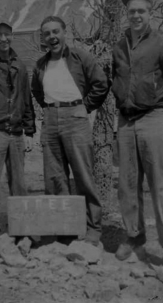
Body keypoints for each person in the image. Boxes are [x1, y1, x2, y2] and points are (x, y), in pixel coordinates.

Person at [112, 0, 163, 270]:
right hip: (126, 121)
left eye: (141, 11)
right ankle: (134, 236)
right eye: (132, 12)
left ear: (149, 14)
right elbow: (116, 77)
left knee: (160, 184)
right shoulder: (119, 45)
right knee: (127, 185)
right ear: (126, 16)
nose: (136, 15)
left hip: (153, 117)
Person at [31, 15, 109, 246]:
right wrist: (49, 110)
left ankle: (93, 228)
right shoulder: (40, 64)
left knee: (83, 175)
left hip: (75, 116)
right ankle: (64, 231)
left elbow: (101, 83)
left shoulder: (80, 56)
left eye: (56, 32)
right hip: (50, 119)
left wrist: (85, 106)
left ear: (64, 33)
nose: (52, 37)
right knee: (55, 178)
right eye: (47, 33)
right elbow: (36, 90)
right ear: (43, 38)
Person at [0, 19, 36, 258]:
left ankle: (22, 235)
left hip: (16, 135)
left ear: (12, 36)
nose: (4, 39)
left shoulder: (20, 65)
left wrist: (30, 130)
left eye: (8, 34)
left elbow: (26, 98)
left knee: (20, 186)